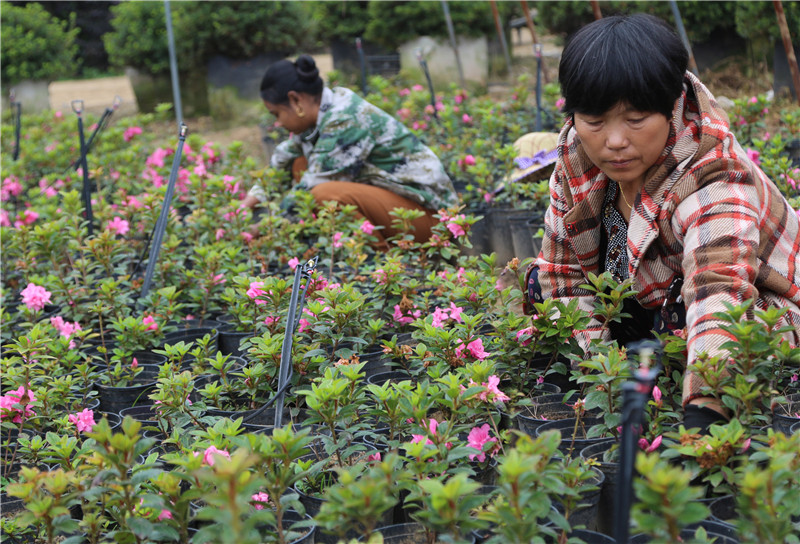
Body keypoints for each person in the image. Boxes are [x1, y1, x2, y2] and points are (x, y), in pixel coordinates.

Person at [524, 13, 800, 432]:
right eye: (595, 121)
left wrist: (707, 407)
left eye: (635, 120)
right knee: (537, 282)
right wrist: (601, 374)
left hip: (761, 308)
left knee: (674, 325)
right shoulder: (576, 157)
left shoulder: (712, 173)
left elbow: (718, 289)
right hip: (649, 298)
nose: (614, 142)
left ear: (672, 106)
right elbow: (562, 272)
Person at [241, 54, 458, 249]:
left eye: (276, 114)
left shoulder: (345, 118)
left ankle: (382, 267)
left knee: (322, 194)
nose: (277, 123)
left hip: (435, 221)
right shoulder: (319, 117)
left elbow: (308, 189)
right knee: (299, 164)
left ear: (296, 100)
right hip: (404, 207)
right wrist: (243, 208)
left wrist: (260, 230)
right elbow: (281, 160)